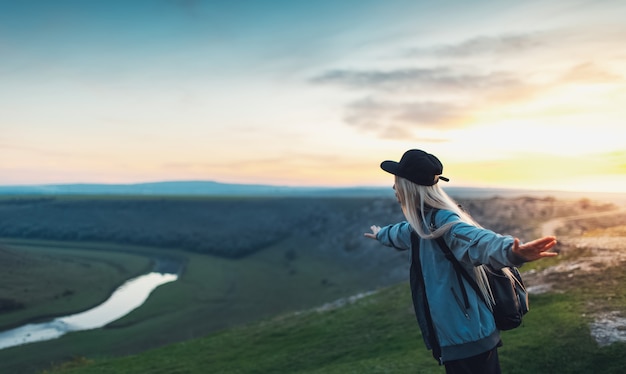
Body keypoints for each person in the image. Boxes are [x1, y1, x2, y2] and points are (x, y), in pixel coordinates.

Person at [364, 149, 557, 374]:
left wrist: (513, 253)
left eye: (397, 182)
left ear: (409, 187)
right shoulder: (421, 225)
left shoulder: (445, 224)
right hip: (458, 338)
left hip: (468, 338)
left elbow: (479, 241)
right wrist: (380, 235)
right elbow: (400, 233)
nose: (394, 187)